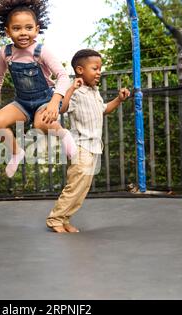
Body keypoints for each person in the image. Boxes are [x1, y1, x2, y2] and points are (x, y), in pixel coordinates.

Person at [0, 0, 77, 178]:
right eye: (17, 28)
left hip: (46, 99)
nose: (23, 33)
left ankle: (65, 136)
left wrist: (54, 102)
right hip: (23, 102)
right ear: (8, 31)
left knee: (41, 123)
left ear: (36, 28)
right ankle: (17, 153)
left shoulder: (41, 51)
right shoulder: (5, 53)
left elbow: (63, 76)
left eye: (28, 27)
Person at [46, 49, 131, 233]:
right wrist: (71, 89)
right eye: (95, 68)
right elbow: (62, 108)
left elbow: (104, 109)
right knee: (75, 185)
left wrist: (119, 99)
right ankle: (55, 219)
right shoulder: (75, 91)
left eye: (100, 68)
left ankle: (65, 218)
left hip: (93, 147)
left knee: (82, 188)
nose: (99, 72)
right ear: (80, 70)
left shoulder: (94, 91)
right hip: (80, 146)